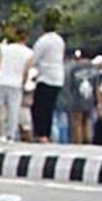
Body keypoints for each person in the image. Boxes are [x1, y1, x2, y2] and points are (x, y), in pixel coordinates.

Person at [0, 27, 32, 141]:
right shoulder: (29, 53)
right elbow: (26, 70)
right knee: (13, 110)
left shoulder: (5, 49)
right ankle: (10, 135)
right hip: (15, 84)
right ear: (26, 38)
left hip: (0, 81)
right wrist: (23, 83)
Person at [29, 14, 65, 142]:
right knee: (49, 107)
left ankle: (41, 134)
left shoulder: (42, 41)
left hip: (45, 77)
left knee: (39, 107)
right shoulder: (59, 40)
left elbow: (34, 59)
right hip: (58, 77)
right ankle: (46, 134)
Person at [70, 54, 102, 144]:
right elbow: (97, 87)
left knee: (77, 123)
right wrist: (98, 103)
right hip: (90, 99)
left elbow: (71, 85)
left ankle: (79, 143)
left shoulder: (75, 68)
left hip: (77, 98)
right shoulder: (94, 70)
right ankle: (87, 141)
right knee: (87, 122)